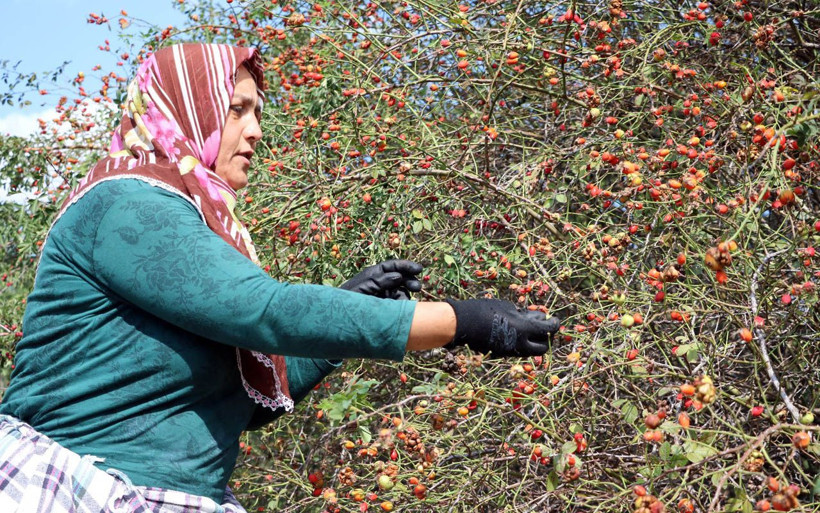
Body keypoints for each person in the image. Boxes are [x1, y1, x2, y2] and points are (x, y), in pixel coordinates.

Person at [0, 43, 559, 512]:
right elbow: (263, 311)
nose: (257, 130)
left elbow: (246, 407)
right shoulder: (127, 204)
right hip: (80, 488)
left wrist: (339, 323)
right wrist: (462, 320)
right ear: (183, 109)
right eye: (237, 108)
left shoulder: (208, 224)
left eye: (258, 111)